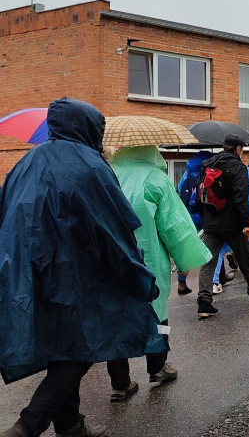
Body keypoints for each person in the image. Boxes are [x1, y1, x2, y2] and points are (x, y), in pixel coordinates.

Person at [0, 98, 163, 437]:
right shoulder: (90, 165)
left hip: (29, 275)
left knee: (63, 346)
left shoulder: (25, 163)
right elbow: (113, 227)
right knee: (85, 345)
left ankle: (70, 425)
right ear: (89, 127)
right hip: (78, 274)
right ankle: (29, 423)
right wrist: (135, 272)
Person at [105, 145, 213, 402]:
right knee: (157, 314)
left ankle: (120, 383)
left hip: (109, 261)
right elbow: (174, 225)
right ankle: (157, 367)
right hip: (149, 259)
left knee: (113, 318)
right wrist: (185, 259)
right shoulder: (155, 179)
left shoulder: (106, 173)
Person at [195, 134, 249, 319]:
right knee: (245, 258)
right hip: (232, 223)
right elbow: (241, 197)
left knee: (209, 262)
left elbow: (199, 194)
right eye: (242, 148)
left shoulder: (207, 164)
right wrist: (247, 222)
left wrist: (205, 218)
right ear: (238, 149)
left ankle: (204, 303)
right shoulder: (238, 167)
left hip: (211, 222)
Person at [175, 149, 214, 295]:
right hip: (203, 213)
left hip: (187, 214)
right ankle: (219, 277)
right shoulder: (206, 171)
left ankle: (181, 282)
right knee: (213, 244)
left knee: (186, 247)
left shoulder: (188, 172)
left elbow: (180, 190)